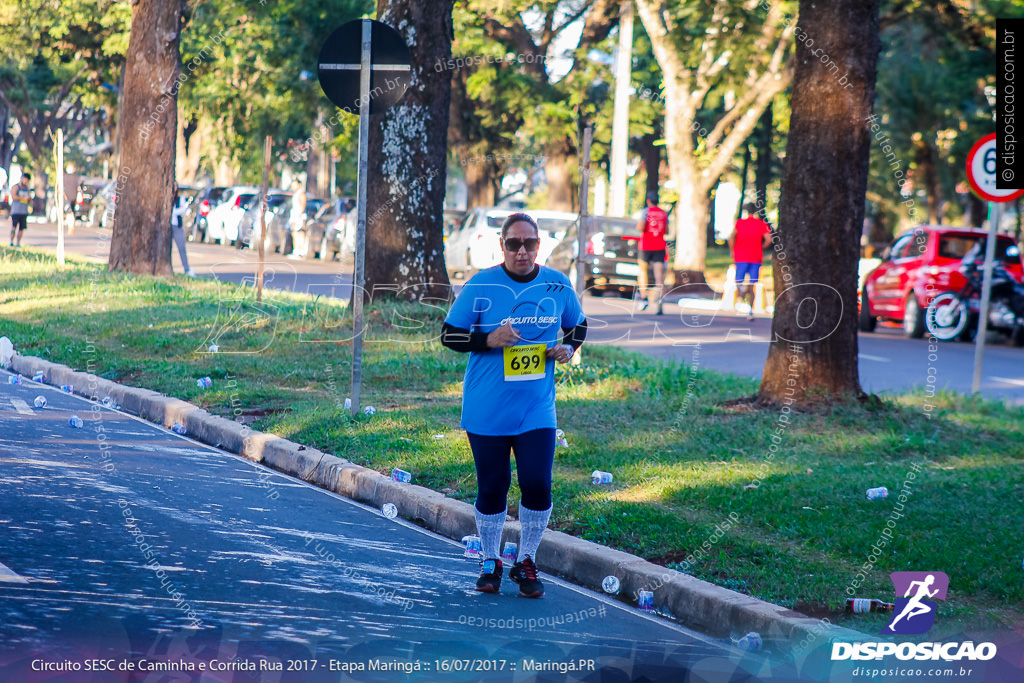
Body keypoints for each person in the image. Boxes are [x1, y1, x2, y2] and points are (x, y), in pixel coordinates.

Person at [441, 212, 587, 598]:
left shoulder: (557, 285)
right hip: (487, 407)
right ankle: (490, 560)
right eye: (513, 244)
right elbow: (449, 335)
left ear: (540, 245)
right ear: (502, 246)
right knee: (494, 486)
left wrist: (568, 347)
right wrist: (489, 339)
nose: (522, 251)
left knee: (537, 483)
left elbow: (578, 325)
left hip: (536, 407)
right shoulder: (482, 284)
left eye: (530, 243)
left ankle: (527, 561)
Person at [728, 202, 772, 321]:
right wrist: (761, 247)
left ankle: (741, 294)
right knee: (753, 284)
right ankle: (750, 311)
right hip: (756, 256)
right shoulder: (761, 224)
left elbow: (731, 237)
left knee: (739, 281)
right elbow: (769, 239)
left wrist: (732, 250)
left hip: (741, 255)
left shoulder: (740, 223)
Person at [634, 191, 669, 314]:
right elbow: (666, 230)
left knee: (642, 271)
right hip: (659, 245)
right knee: (659, 276)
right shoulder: (664, 213)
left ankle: (643, 298)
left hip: (646, 246)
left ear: (648, 201)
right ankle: (660, 301)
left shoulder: (645, 212)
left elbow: (641, 227)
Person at [171, 183, 196, 277]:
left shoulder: (180, 199)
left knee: (182, 248)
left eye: (175, 186)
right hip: (167, 228)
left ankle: (187, 269)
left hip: (177, 226)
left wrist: (172, 212)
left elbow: (183, 210)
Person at [8, 173, 32, 247]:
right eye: (25, 180)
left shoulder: (27, 189)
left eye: (27, 181)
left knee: (21, 229)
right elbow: (14, 197)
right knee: (14, 227)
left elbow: (29, 199)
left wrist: (29, 200)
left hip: (24, 211)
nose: (26, 182)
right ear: (22, 178)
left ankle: (18, 243)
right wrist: (22, 198)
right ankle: (11, 242)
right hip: (16, 211)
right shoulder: (16, 187)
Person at [288, 181, 307, 257]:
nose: (293, 187)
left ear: (299, 185)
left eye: (294, 185)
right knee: (294, 233)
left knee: (300, 233)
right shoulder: (295, 194)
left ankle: (300, 250)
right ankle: (296, 249)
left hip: (299, 216)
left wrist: (299, 216)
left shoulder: (301, 193)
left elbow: (303, 205)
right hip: (294, 216)